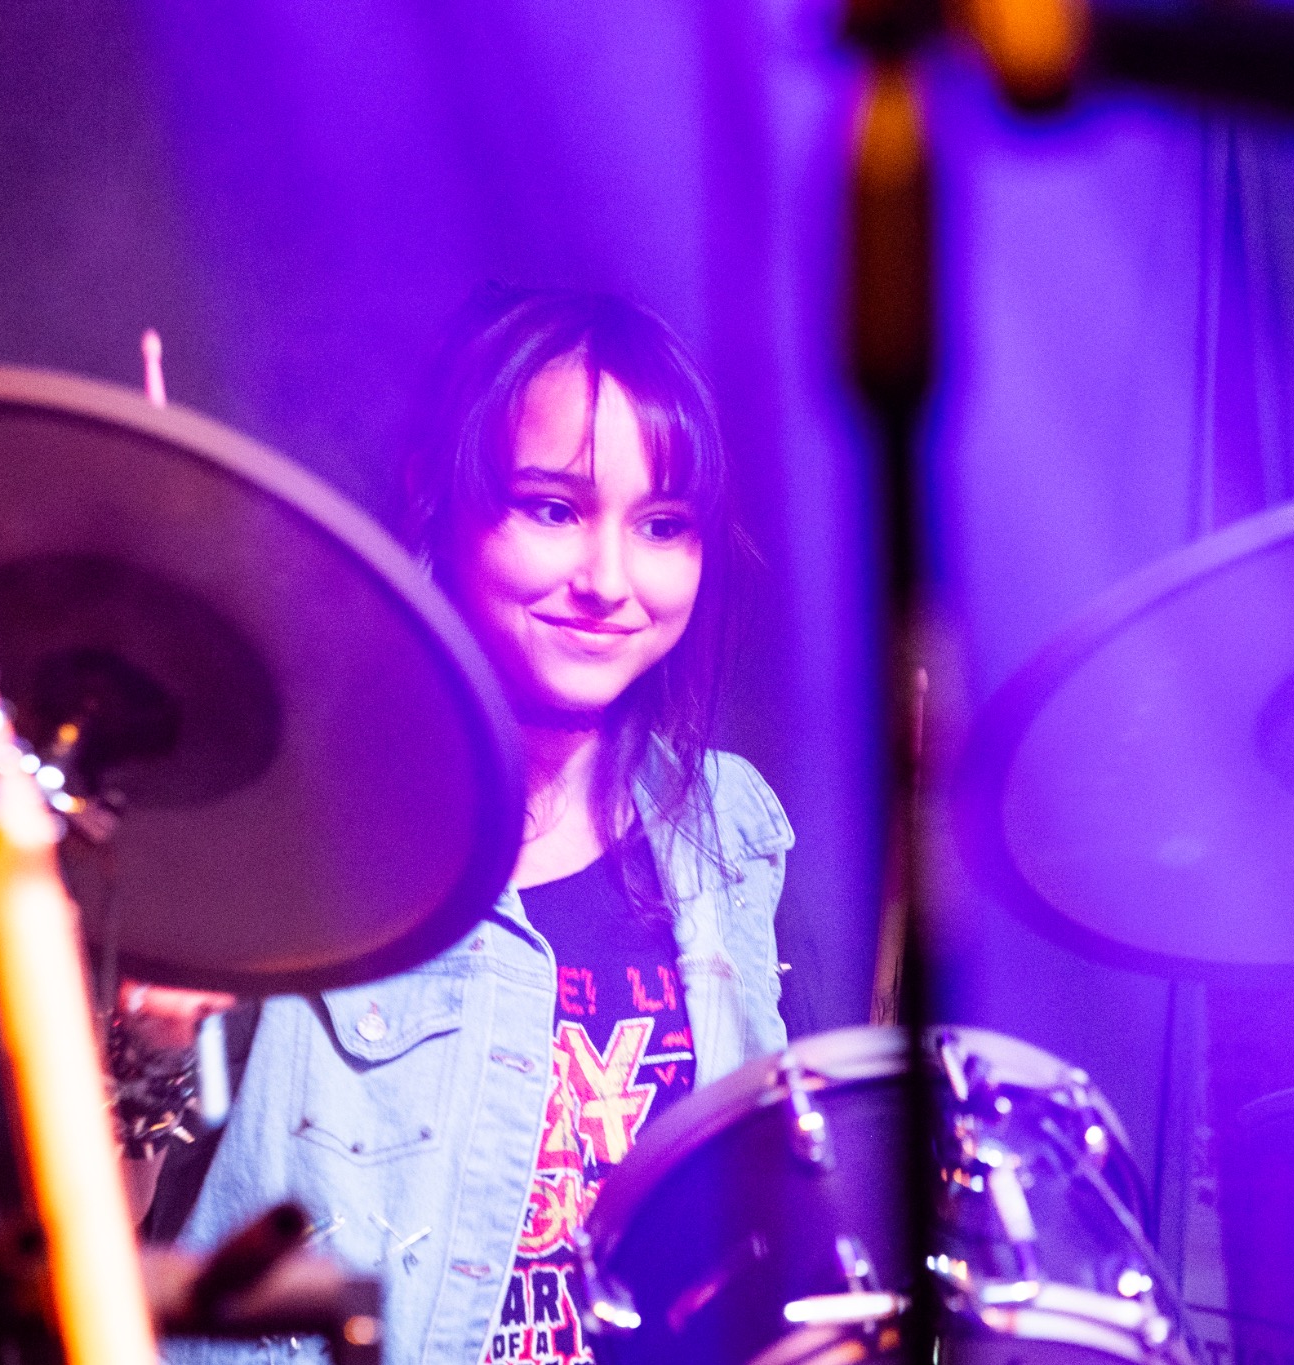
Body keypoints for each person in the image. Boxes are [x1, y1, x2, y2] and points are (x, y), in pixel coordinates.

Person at [122, 287, 794, 1365]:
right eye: (552, 509)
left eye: (662, 526)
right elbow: (79, 1259)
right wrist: (139, 1051)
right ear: (438, 500)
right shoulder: (294, 815)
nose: (608, 581)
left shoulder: (726, 824)